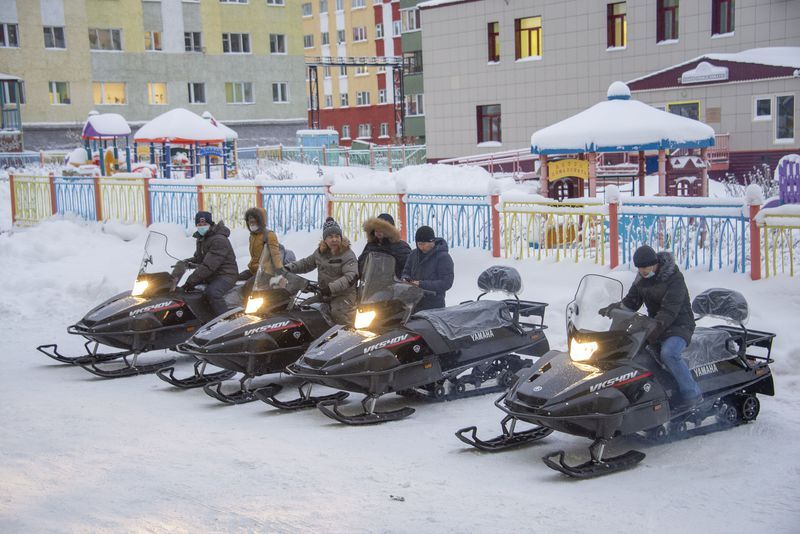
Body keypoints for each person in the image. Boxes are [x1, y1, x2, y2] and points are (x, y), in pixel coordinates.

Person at [601, 245, 702, 411]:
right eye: (640, 268)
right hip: (655, 324)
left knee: (669, 354)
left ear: (655, 263)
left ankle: (692, 394)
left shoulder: (674, 278)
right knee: (630, 351)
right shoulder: (641, 279)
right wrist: (614, 309)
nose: (643, 271)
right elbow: (631, 301)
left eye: (646, 267)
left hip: (679, 325)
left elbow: (670, 310)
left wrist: (654, 328)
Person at [283, 217, 358, 325]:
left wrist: (330, 288)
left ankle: (347, 338)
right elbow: (306, 263)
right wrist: (288, 268)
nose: (334, 239)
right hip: (324, 294)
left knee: (338, 314)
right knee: (302, 309)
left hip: (343, 296)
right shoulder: (320, 253)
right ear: (325, 239)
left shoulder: (347, 254)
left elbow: (350, 277)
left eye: (337, 236)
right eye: (330, 237)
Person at [184, 211, 239, 317]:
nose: (202, 227)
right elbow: (200, 258)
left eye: (204, 224)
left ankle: (224, 320)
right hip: (213, 275)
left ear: (210, 224)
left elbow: (209, 265)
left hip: (226, 275)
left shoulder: (219, 240)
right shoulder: (202, 238)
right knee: (196, 293)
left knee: (213, 293)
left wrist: (190, 282)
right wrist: (186, 262)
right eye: (199, 225)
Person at [401, 225, 454, 313]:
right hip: (413, 303)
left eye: (424, 244)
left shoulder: (443, 257)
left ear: (432, 242)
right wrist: (405, 279)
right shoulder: (413, 254)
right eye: (419, 244)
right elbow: (406, 271)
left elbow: (446, 282)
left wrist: (421, 284)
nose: (422, 247)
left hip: (434, 306)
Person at [357, 213, 411, 278]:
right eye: (376, 229)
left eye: (382, 230)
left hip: (393, 285)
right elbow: (361, 264)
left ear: (390, 231)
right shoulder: (370, 245)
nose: (378, 232)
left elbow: (408, 268)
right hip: (371, 285)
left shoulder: (400, 247)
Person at [240, 207, 285, 282]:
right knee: (236, 279)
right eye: (249, 221)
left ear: (261, 221)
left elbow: (275, 255)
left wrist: (280, 272)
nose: (251, 224)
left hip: (266, 272)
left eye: (254, 221)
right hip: (253, 270)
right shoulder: (252, 236)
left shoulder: (269, 235)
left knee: (247, 287)